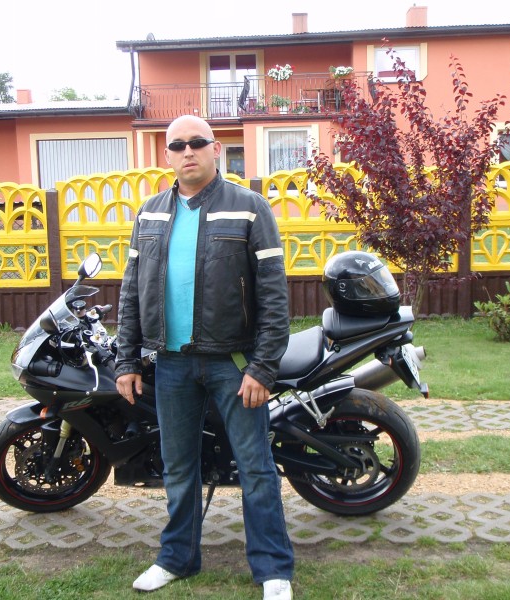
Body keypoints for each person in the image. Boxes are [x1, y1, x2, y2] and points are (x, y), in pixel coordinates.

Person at [115, 115, 294, 599]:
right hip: (171, 363)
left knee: (255, 468)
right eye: (178, 145)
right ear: (167, 156)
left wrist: (262, 367)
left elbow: (274, 294)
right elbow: (131, 291)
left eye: (197, 142)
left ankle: (273, 569)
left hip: (232, 364)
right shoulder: (150, 213)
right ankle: (177, 559)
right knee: (178, 468)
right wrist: (126, 360)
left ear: (216, 149)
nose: (188, 151)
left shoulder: (249, 207)